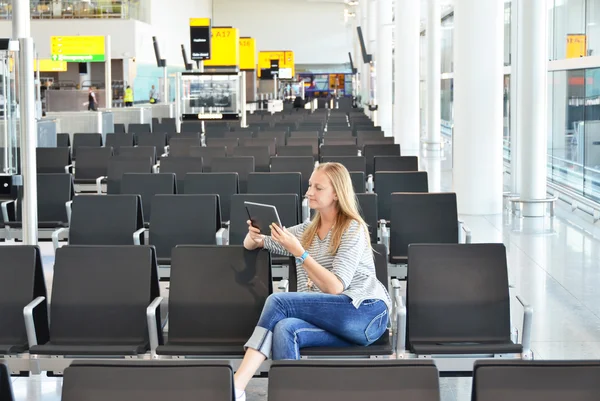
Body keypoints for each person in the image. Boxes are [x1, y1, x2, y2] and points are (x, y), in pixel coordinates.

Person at [235, 162, 391, 401]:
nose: (309, 193)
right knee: (285, 328)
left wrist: (300, 253)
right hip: (335, 322)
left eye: (318, 188)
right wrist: (253, 237)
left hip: (366, 313)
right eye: (310, 186)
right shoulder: (306, 231)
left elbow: (336, 287)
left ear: (337, 194)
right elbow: (257, 243)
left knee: (279, 302)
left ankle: (236, 386)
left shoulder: (352, 228)